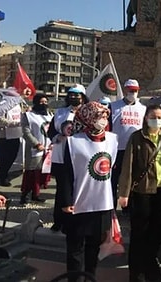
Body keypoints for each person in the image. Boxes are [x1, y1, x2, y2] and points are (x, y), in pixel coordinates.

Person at [118, 104, 161, 282]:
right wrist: (124, 193)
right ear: (146, 118)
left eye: (160, 117)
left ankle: (150, 266)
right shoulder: (137, 138)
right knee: (139, 233)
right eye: (153, 116)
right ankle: (135, 272)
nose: (157, 120)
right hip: (143, 191)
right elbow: (127, 166)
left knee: (156, 232)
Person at [59, 101, 118, 282]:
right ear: (89, 118)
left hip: (102, 204)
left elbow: (112, 172)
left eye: (106, 117)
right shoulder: (73, 142)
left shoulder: (112, 140)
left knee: (94, 248)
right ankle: (74, 279)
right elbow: (66, 175)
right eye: (100, 117)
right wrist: (66, 201)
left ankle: (90, 278)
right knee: (75, 249)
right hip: (79, 203)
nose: (104, 120)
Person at [47, 84, 89, 232]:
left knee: (78, 190)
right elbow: (51, 131)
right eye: (71, 94)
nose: (73, 97)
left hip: (80, 157)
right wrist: (56, 136)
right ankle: (59, 221)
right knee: (62, 190)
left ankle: (76, 221)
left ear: (82, 97)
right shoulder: (59, 112)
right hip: (61, 156)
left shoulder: (88, 112)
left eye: (77, 95)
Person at [108, 79, 146, 209]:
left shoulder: (143, 109)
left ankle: (129, 208)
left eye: (135, 91)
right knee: (113, 180)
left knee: (132, 180)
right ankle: (111, 207)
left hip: (135, 150)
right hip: (117, 150)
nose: (133, 93)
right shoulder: (113, 106)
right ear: (125, 90)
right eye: (130, 90)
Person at [20, 94, 53, 204]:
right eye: (41, 102)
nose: (44, 104)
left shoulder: (49, 115)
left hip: (48, 149)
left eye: (45, 102)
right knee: (31, 172)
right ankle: (26, 195)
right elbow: (26, 132)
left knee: (41, 173)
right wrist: (36, 144)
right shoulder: (28, 115)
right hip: (35, 149)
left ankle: (36, 194)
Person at [0, 88, 27, 187]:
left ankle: (3, 172)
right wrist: (13, 123)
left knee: (13, 155)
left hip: (16, 134)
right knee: (3, 157)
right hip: (4, 135)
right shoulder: (3, 104)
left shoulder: (19, 104)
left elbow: (23, 114)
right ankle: (3, 176)